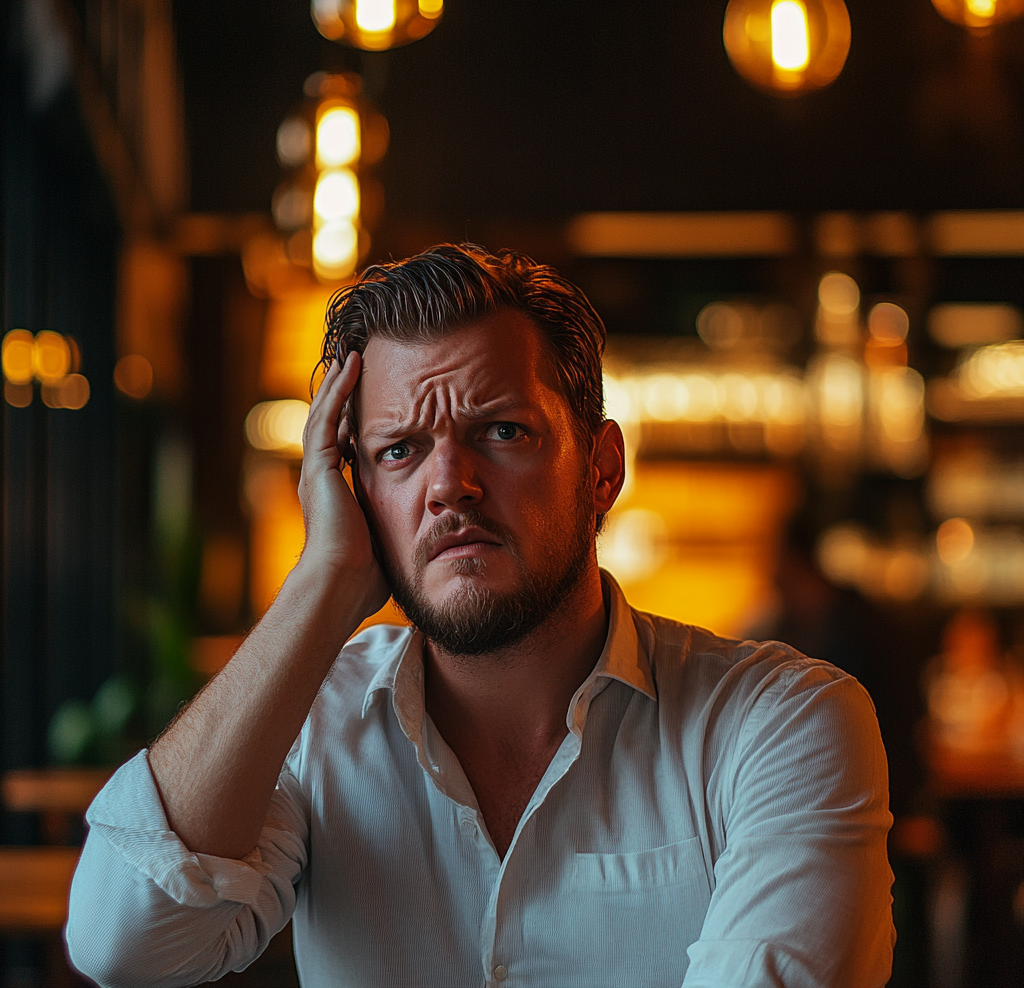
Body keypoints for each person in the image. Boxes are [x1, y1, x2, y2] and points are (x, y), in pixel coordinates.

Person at [67, 244, 894, 988]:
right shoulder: (316, 730)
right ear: (358, 493)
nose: (448, 484)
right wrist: (323, 582)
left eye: (500, 431)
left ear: (601, 471)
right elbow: (124, 943)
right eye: (399, 450)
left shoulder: (780, 724)